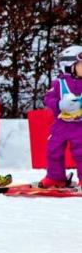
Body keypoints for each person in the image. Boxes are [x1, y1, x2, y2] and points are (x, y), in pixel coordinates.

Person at [38, 45, 82, 188]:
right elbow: (48, 99)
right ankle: (55, 177)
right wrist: (59, 104)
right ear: (68, 66)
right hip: (61, 125)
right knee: (53, 150)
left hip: (80, 126)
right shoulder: (59, 83)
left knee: (81, 152)